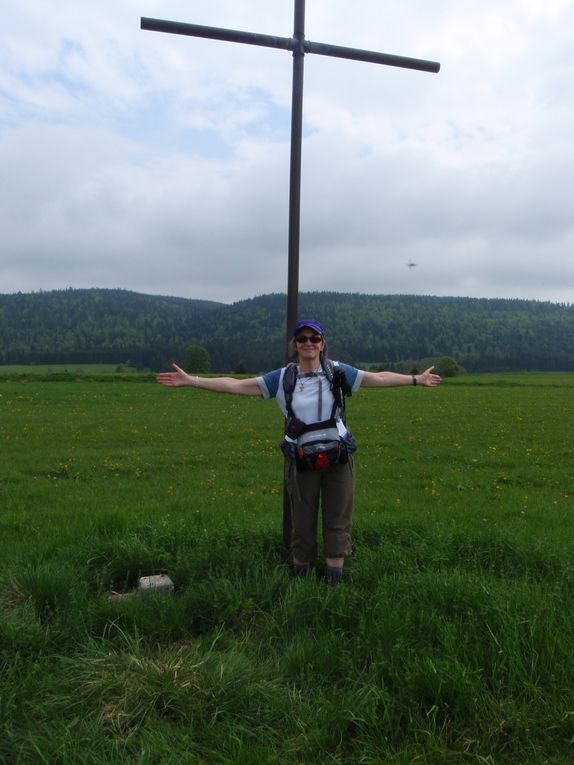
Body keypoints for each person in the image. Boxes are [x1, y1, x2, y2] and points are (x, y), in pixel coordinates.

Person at [157, 319, 441, 586]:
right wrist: (192, 380)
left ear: (322, 342)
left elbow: (378, 378)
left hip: (338, 457)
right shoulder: (282, 378)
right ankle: (300, 587)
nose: (308, 343)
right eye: (302, 338)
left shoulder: (338, 371)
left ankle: (334, 586)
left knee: (338, 520)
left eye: (314, 338)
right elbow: (235, 385)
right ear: (295, 344)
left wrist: (415, 379)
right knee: (302, 523)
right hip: (302, 460)